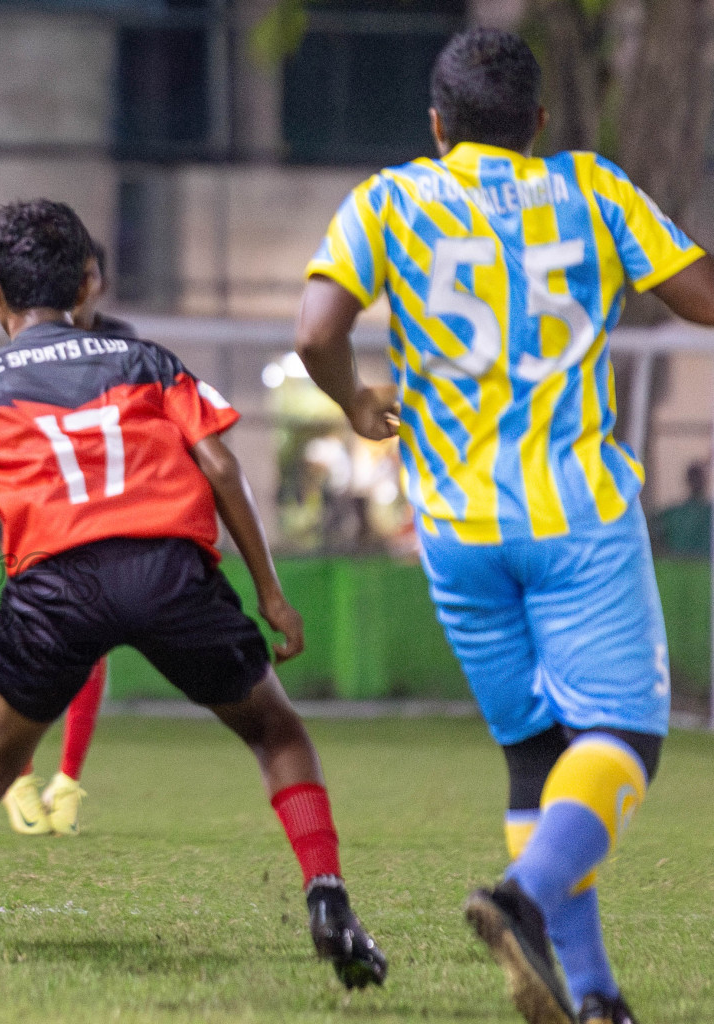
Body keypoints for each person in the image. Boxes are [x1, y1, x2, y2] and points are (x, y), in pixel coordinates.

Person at [0, 199, 387, 995]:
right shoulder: (147, 361)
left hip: (55, 587)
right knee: (275, 732)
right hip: (169, 571)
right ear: (83, 284)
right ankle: (327, 898)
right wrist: (270, 596)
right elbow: (220, 468)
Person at [296, 27, 714, 1024]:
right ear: (535, 124)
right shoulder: (591, 188)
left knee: (534, 751)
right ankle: (519, 895)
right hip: (573, 514)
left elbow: (314, 333)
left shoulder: (387, 199)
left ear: (435, 126)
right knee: (621, 734)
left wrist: (355, 402)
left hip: (453, 528)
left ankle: (595, 997)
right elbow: (699, 300)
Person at [0, 241, 132, 838]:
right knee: (21, 642)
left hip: (99, 513)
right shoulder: (26, 344)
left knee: (90, 648)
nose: (85, 284)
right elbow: (5, 424)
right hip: (34, 508)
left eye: (92, 273)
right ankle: (17, 778)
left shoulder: (122, 346)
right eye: (78, 272)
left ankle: (67, 781)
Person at [651, 460, 710, 557]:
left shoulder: (709, 513)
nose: (697, 482)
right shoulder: (671, 514)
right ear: (689, 480)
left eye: (699, 478)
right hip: (675, 565)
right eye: (694, 478)